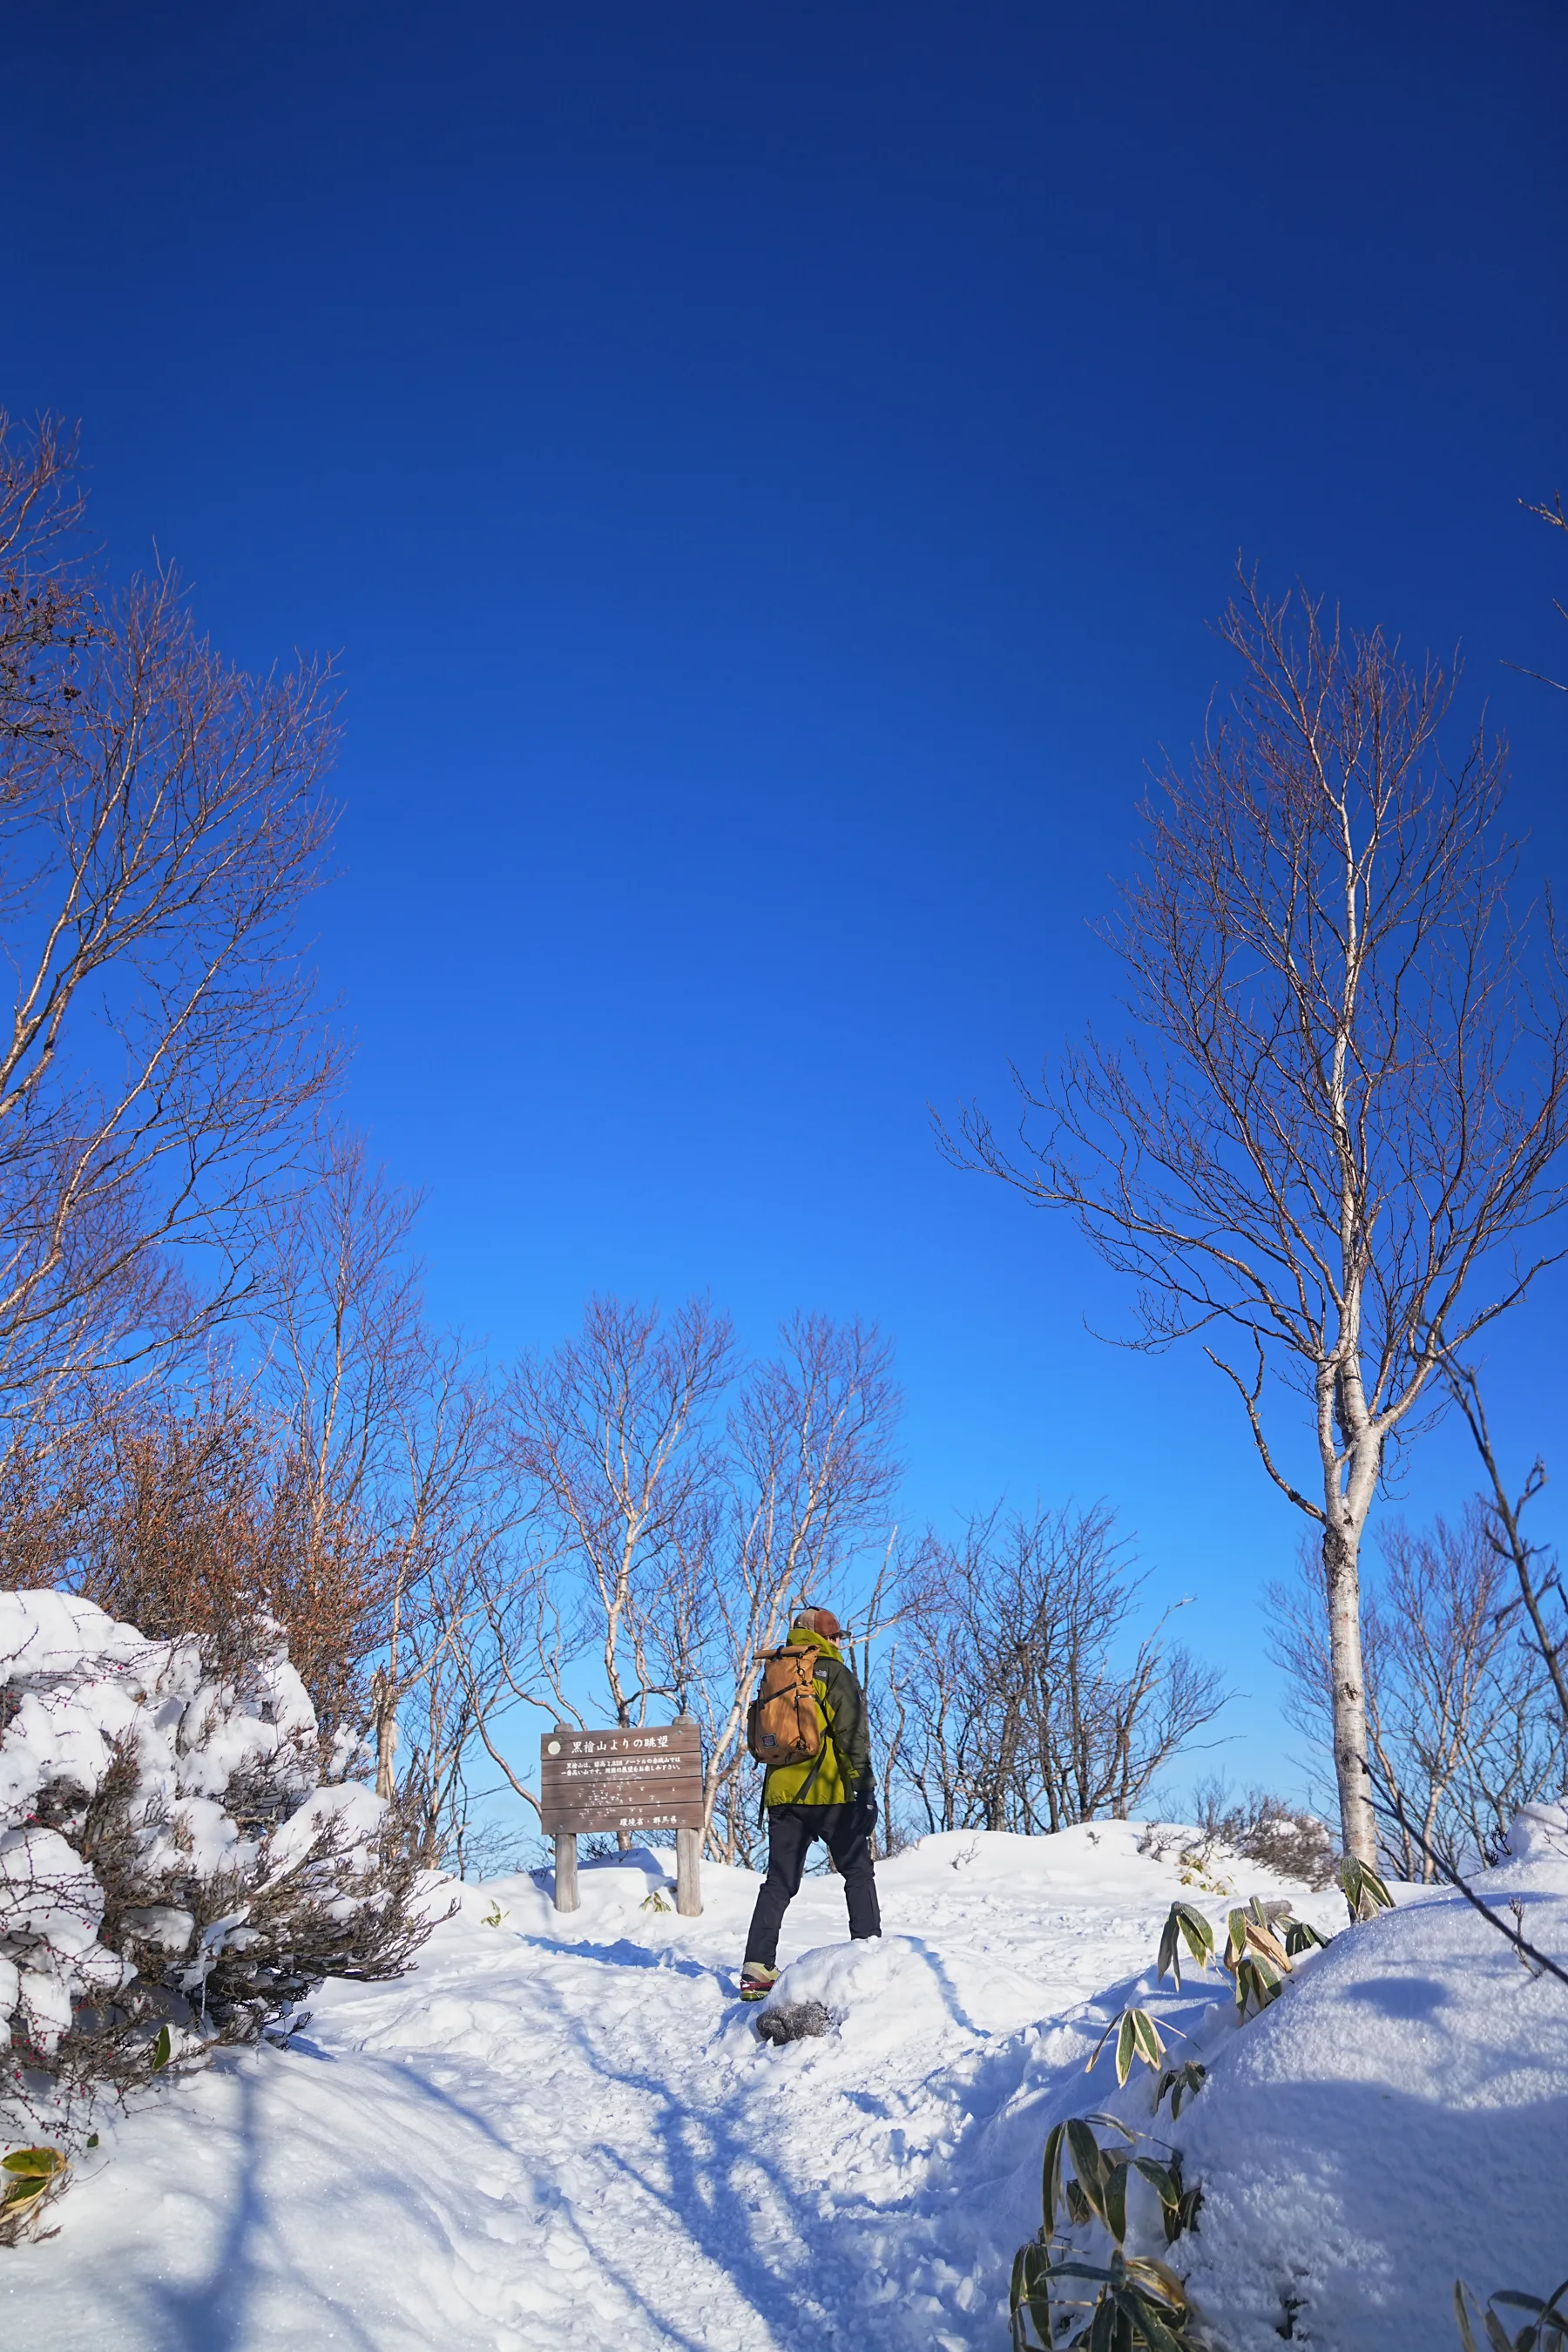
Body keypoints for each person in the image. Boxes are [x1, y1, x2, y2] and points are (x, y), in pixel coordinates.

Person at [740, 1605, 881, 2000]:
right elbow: (852, 1734)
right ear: (827, 1639)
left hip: (782, 1795)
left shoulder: (777, 1671)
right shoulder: (833, 1672)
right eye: (837, 1638)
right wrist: (865, 1789)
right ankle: (868, 1951)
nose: (840, 1644)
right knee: (857, 1871)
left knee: (780, 1882)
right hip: (830, 1791)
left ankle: (756, 1968)